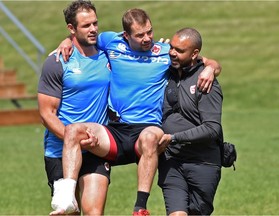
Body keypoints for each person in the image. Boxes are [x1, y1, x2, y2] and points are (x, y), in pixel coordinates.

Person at [51, 8, 222, 215]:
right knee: (73, 131)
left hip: (148, 129)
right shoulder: (110, 42)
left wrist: (211, 68)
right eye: (140, 35)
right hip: (116, 129)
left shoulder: (166, 52)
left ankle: (140, 207)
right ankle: (66, 197)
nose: (147, 38)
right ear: (126, 36)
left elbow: (204, 60)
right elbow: (82, 38)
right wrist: (67, 41)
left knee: (150, 137)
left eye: (149, 32)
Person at [37, 1, 111, 215]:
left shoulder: (108, 53)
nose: (94, 29)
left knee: (94, 212)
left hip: (95, 146)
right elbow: (46, 114)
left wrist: (210, 64)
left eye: (95, 23)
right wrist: (74, 140)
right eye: (86, 25)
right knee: (69, 212)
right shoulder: (57, 61)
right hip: (59, 150)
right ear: (71, 29)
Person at [157, 27, 223, 215]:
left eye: (179, 50)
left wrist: (173, 138)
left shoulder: (205, 81)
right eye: (171, 47)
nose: (172, 53)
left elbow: (212, 129)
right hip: (172, 161)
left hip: (203, 164)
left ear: (195, 54)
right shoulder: (165, 71)